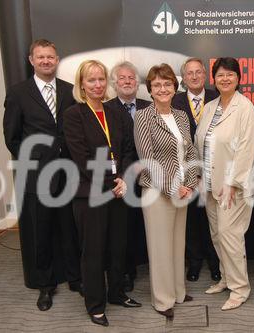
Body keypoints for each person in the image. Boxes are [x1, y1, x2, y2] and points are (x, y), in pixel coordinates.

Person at [3, 39, 81, 311]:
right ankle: (45, 285)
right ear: (31, 60)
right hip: (38, 177)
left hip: (69, 173)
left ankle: (75, 278)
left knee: (69, 229)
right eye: (41, 57)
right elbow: (11, 138)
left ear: (57, 60)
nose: (46, 61)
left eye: (50, 57)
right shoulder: (18, 93)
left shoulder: (70, 91)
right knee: (42, 231)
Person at [63, 60, 141, 327]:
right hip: (91, 195)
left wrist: (125, 178)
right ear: (81, 85)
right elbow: (82, 158)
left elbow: (129, 150)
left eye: (100, 79)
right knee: (93, 252)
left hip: (118, 190)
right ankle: (95, 304)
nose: (97, 85)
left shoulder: (115, 112)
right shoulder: (74, 115)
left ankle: (117, 293)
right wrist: (113, 182)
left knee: (118, 247)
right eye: (91, 80)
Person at [134, 63, 199, 318]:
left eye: (167, 84)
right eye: (157, 85)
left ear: (175, 87)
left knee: (176, 244)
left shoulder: (181, 115)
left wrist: (190, 184)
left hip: (183, 190)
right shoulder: (143, 116)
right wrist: (174, 188)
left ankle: (178, 292)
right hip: (157, 192)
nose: (163, 89)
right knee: (160, 248)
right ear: (150, 89)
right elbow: (147, 160)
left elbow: (191, 151)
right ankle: (163, 300)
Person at [195, 57, 254, 311]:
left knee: (230, 237)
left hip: (233, 186)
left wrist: (232, 183)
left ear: (238, 78)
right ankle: (225, 278)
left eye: (230, 74)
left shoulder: (245, 108)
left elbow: (246, 149)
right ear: (214, 78)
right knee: (217, 235)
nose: (225, 79)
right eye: (220, 75)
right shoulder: (210, 107)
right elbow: (202, 142)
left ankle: (239, 288)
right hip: (210, 184)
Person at [172, 57, 221, 282]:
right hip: (186, 171)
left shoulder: (218, 98)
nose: (194, 76)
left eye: (198, 72)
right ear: (183, 78)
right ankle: (194, 261)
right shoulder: (174, 100)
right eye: (189, 73)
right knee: (191, 219)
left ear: (205, 75)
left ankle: (215, 262)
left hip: (215, 169)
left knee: (214, 219)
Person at [105, 61, 151, 292]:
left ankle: (146, 263)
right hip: (122, 177)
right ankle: (126, 271)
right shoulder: (106, 109)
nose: (127, 81)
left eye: (131, 78)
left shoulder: (149, 106)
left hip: (149, 176)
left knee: (145, 224)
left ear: (138, 82)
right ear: (114, 83)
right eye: (121, 78)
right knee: (123, 227)